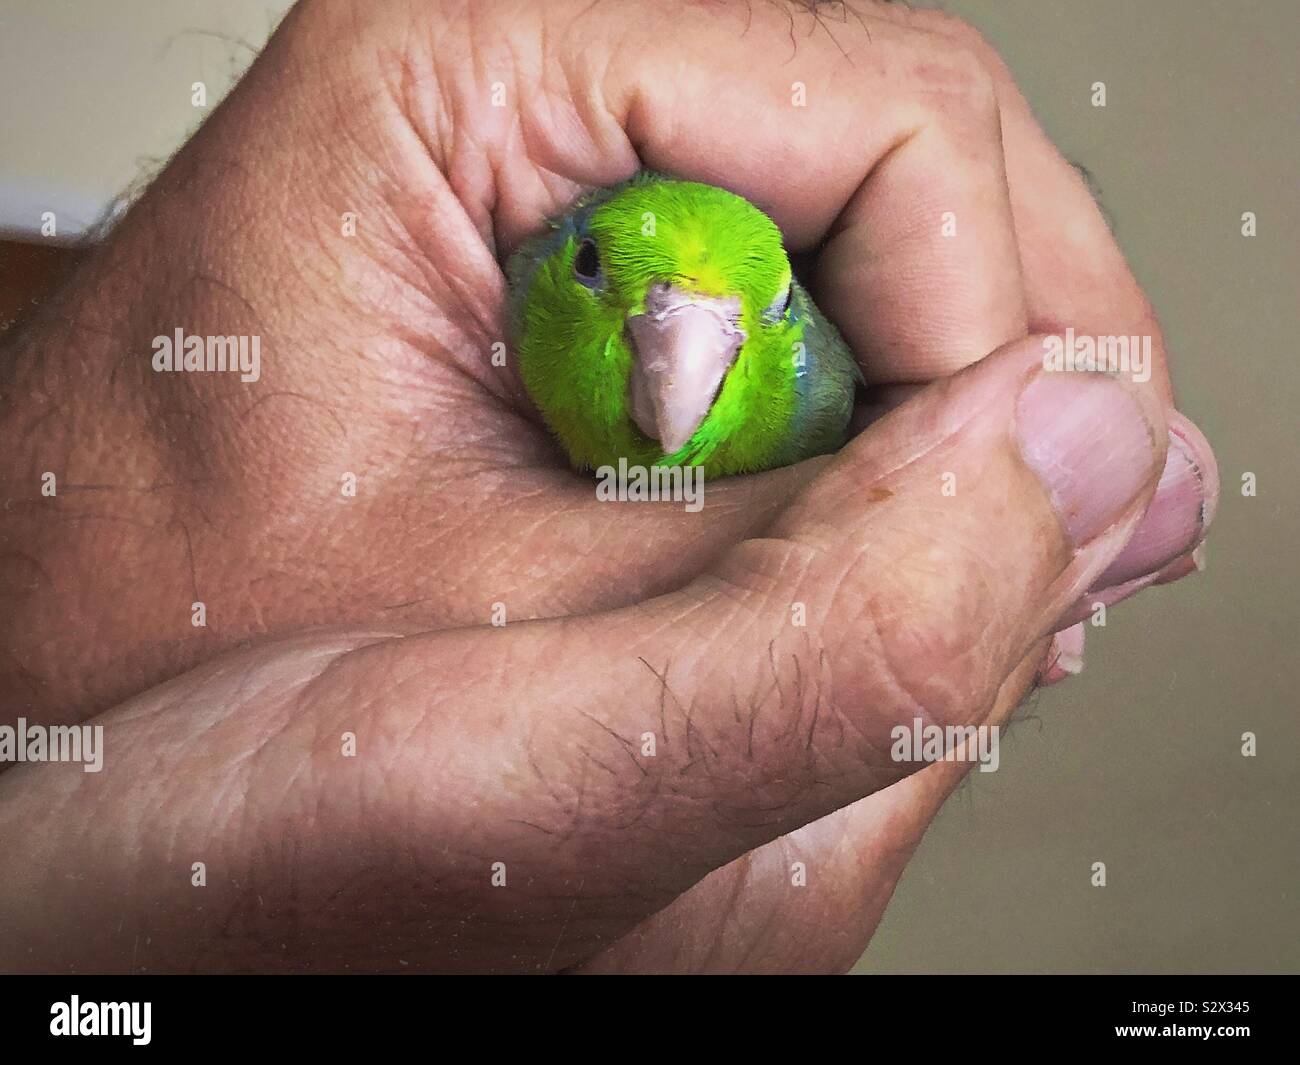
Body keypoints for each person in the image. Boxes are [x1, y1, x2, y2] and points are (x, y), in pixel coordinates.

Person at [0, 0, 1217, 972]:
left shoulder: (819, 397)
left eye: (766, 313)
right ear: (540, 280)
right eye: (603, 275)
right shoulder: (494, 310)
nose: (683, 355)